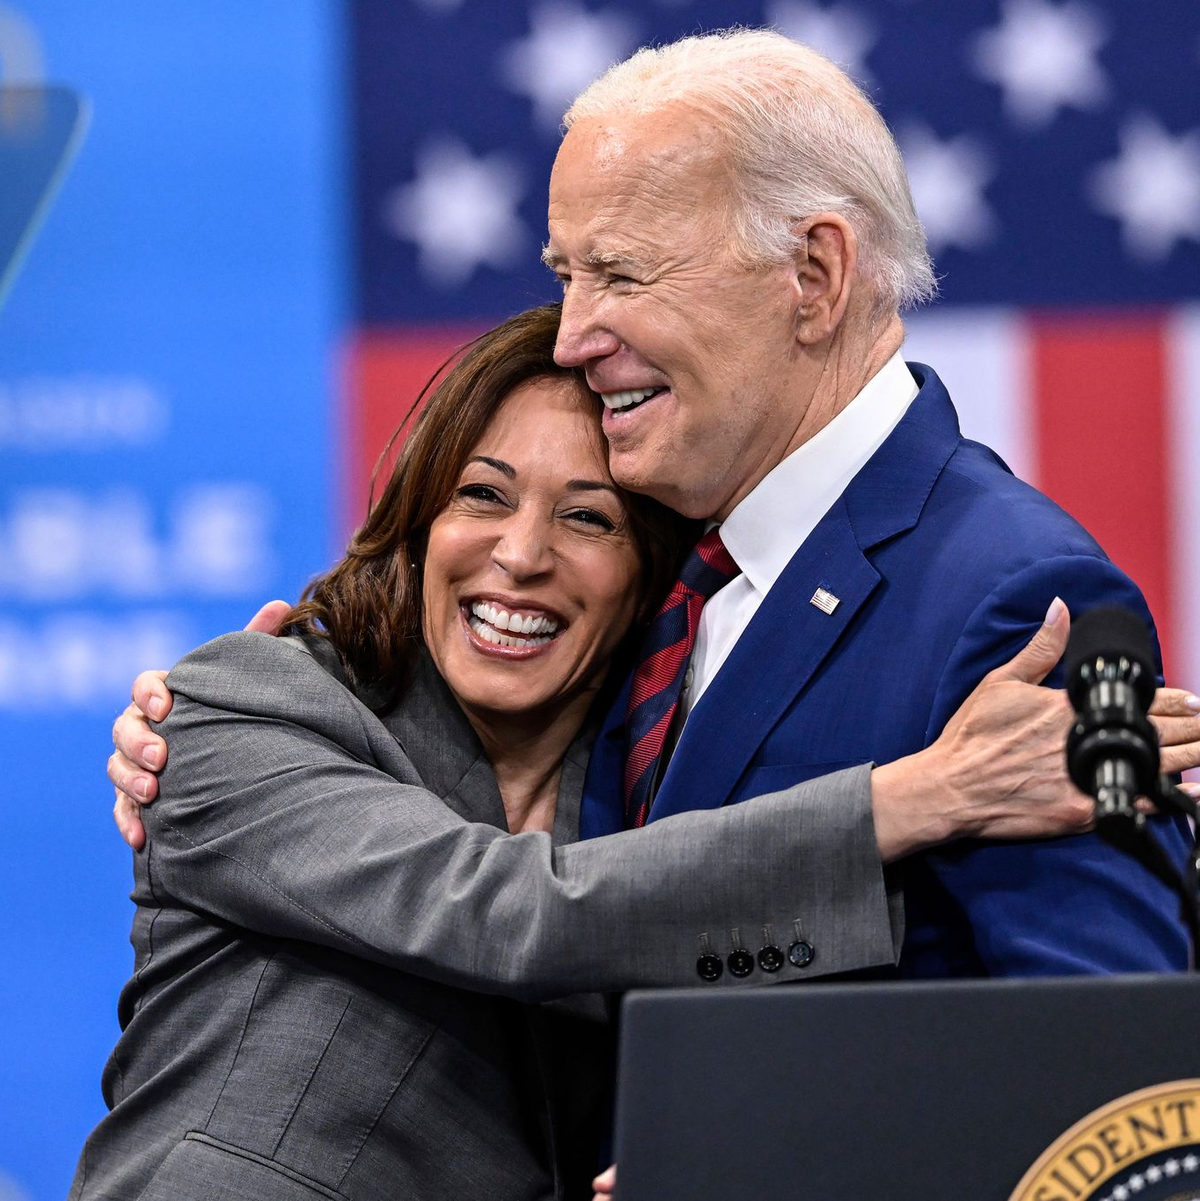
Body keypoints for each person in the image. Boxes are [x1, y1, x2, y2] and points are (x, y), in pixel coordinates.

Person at [80, 304, 1131, 1201]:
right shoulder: (242, 706)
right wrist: (924, 797)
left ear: (650, 581)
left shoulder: (644, 789)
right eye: (482, 494)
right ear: (415, 520)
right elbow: (512, 913)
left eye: (590, 518)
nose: (523, 556)